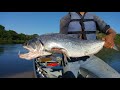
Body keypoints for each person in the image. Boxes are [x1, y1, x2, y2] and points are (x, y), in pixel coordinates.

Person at [52, 12, 120, 78]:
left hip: (89, 57)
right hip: (70, 60)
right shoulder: (65, 18)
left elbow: (112, 31)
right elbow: (61, 38)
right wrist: (57, 49)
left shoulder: (94, 17)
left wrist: (111, 36)